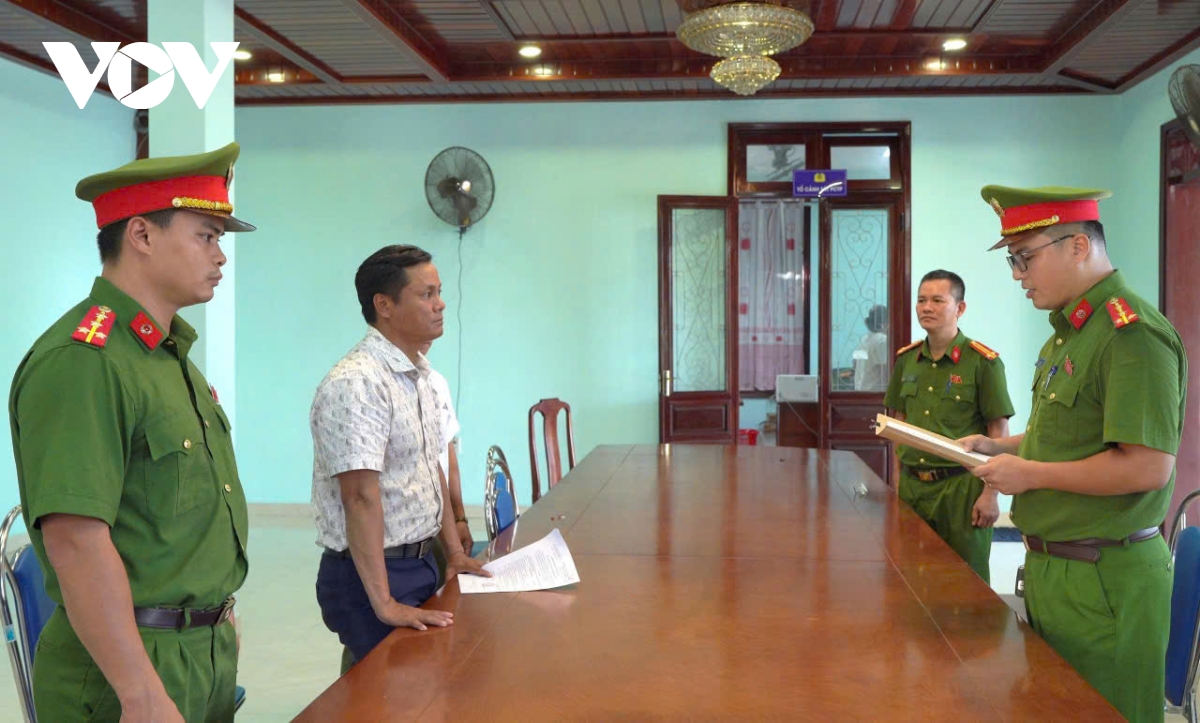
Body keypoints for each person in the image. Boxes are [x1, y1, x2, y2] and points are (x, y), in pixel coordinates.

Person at [9, 143, 253, 722]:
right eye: (206, 235)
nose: (220, 255)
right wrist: (140, 691)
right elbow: (75, 540)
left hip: (196, 651)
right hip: (126, 672)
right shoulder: (85, 361)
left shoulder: (166, 356)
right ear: (141, 234)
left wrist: (213, 618)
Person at [962, 185, 1186, 723]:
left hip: (1105, 576)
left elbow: (1147, 466)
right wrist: (996, 445)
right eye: (1013, 261)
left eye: (1025, 257)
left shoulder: (1131, 335)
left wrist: (1029, 475)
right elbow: (1065, 437)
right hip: (1058, 569)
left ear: (1079, 246)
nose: (1017, 275)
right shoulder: (1069, 334)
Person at [310, 244, 490, 672]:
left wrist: (453, 552)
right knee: (394, 691)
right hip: (372, 575)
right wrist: (385, 603)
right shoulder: (358, 382)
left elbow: (430, 468)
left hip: (422, 562)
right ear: (384, 305)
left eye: (439, 292)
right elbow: (359, 498)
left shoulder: (419, 376)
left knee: (425, 683)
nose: (440, 304)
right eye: (426, 294)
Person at [884, 270, 1014, 582]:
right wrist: (897, 484)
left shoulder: (983, 362)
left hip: (961, 490)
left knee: (966, 581)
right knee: (911, 578)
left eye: (937, 300)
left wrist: (991, 495)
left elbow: (998, 433)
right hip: (913, 487)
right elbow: (898, 425)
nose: (926, 307)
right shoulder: (906, 360)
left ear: (960, 308)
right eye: (921, 300)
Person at [419, 339, 473, 557]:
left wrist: (459, 518)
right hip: (403, 540)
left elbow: (446, 456)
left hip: (442, 523)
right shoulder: (370, 382)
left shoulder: (436, 381)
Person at [853, 304, 890, 391]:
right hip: (875, 393)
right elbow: (884, 371)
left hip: (860, 392)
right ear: (883, 324)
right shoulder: (882, 340)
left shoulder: (864, 339)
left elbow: (855, 363)